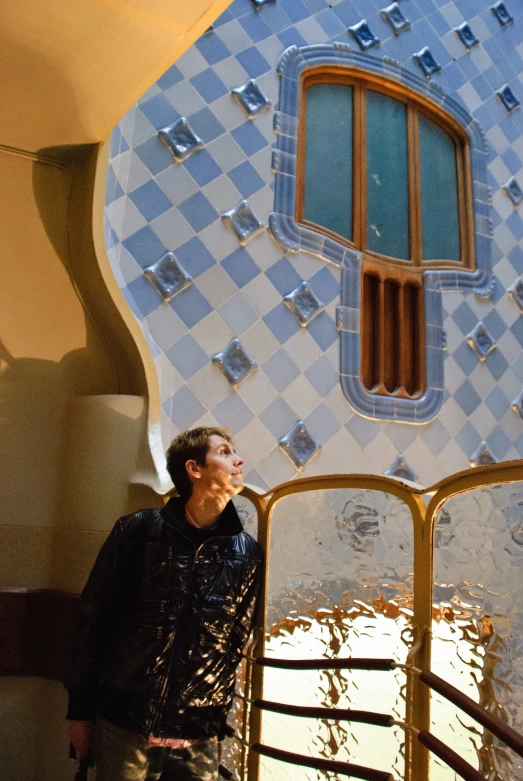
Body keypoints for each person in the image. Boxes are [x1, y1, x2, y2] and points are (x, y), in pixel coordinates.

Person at [65, 426, 262, 781]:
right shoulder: (137, 531)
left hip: (197, 733)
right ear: (194, 469)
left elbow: (234, 644)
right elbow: (94, 622)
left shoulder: (247, 553)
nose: (238, 459)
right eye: (224, 451)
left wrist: (214, 722)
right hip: (127, 722)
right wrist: (79, 711)